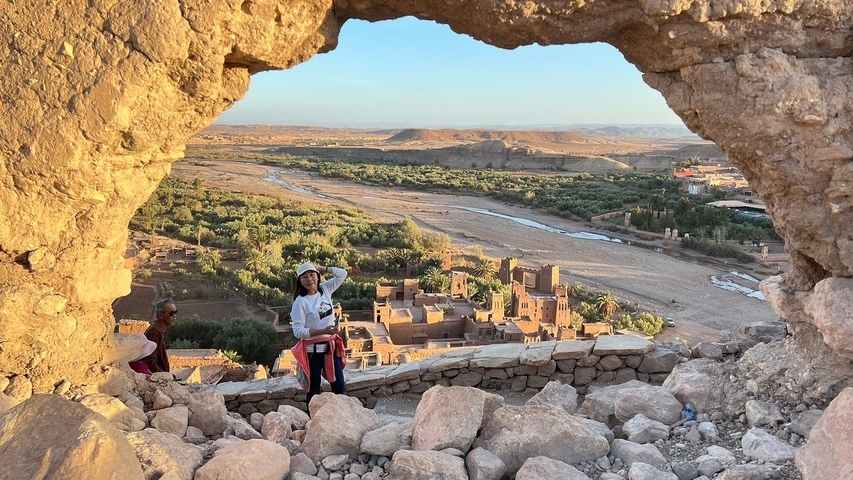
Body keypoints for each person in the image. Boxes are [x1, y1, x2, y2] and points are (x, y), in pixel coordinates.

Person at [290, 262, 348, 408]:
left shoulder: (325, 290)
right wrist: (323, 331)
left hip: (330, 348)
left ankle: (340, 417)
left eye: (312, 275)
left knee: (339, 386)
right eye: (304, 277)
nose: (309, 279)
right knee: (314, 390)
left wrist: (321, 268)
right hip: (313, 354)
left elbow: (342, 273)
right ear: (300, 281)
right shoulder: (300, 303)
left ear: (317, 276)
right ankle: (312, 421)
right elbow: (298, 331)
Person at [144, 298, 176, 373]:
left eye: (175, 312)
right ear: (161, 315)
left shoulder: (160, 330)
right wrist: (163, 376)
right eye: (171, 313)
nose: (174, 316)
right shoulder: (155, 332)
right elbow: (150, 360)